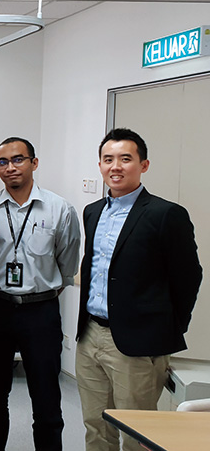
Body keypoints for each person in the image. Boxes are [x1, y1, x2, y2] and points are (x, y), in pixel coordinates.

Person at [76, 128, 201, 451]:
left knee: (138, 433)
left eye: (125, 159)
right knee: (95, 425)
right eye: (108, 159)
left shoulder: (165, 214)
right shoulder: (93, 211)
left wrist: (166, 331)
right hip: (90, 335)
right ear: (100, 165)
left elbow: (188, 277)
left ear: (143, 165)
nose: (115, 166)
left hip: (137, 344)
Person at [0, 137, 81, 451]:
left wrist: (42, 290)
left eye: (18, 159)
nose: (10, 167)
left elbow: (67, 263)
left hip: (40, 312)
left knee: (46, 399)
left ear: (34, 163)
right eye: (3, 162)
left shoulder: (59, 208)